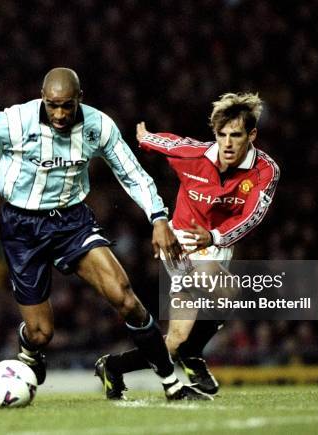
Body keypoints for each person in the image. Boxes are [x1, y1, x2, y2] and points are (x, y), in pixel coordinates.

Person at [0, 67, 210, 400]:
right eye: (53, 105)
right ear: (42, 97)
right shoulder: (13, 122)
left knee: (125, 296)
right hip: (21, 229)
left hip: (71, 222)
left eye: (67, 105)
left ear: (80, 99)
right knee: (41, 333)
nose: (60, 113)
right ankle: (30, 350)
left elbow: (131, 173)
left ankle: (172, 384)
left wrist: (158, 217)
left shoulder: (98, 126)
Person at [95, 92, 280, 399]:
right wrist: (144, 137)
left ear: (252, 135)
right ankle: (193, 355)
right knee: (227, 287)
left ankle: (113, 366)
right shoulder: (194, 155)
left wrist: (217, 238)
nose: (228, 143)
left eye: (236, 135)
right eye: (222, 135)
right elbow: (167, 143)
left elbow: (253, 216)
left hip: (218, 243)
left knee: (175, 341)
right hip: (182, 243)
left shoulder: (265, 170)